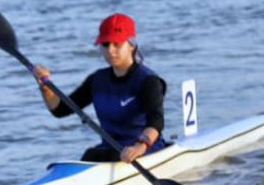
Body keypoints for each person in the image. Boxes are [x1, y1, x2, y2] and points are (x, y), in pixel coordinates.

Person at [32, 13, 167, 163]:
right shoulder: (97, 80)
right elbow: (60, 109)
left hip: (146, 150)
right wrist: (45, 87)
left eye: (117, 44)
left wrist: (140, 146)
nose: (110, 50)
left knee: (105, 155)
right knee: (91, 154)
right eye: (105, 44)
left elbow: (156, 121)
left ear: (131, 45)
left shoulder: (148, 81)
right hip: (112, 150)